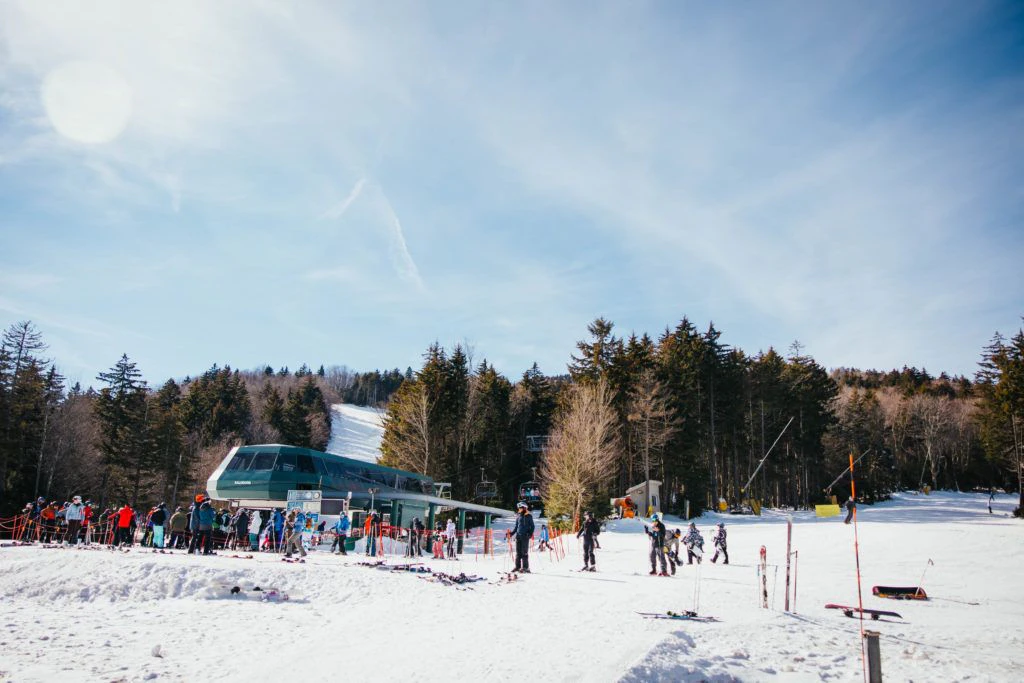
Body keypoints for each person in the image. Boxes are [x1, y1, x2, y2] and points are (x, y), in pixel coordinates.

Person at [510, 501, 535, 573]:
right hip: (518, 536)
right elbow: (516, 527)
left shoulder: (529, 516)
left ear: (524, 508)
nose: (519, 509)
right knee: (518, 553)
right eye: (518, 508)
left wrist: (530, 534)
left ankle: (525, 568)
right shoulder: (518, 516)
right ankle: (517, 567)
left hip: (525, 536)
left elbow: (532, 526)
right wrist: (511, 534)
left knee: (524, 552)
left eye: (520, 508)